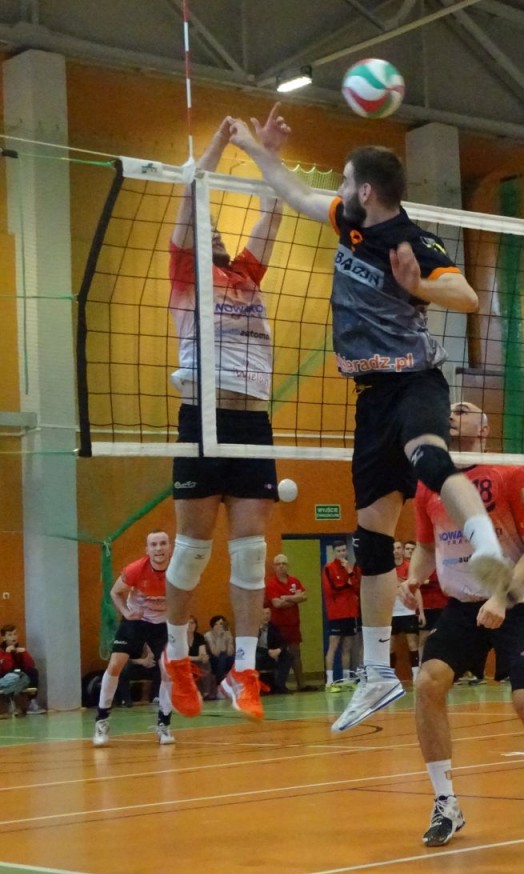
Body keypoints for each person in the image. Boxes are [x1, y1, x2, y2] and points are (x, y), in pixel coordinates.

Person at [228, 107, 514, 735]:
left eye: (343, 180)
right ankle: (379, 674)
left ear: (364, 191)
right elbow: (295, 193)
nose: (335, 189)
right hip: (370, 397)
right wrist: (257, 151)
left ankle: (486, 546)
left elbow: (467, 297)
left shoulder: (414, 242)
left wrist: (418, 286)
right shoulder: (348, 223)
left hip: (415, 379)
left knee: (431, 459)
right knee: (372, 540)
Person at [161, 111, 287, 724]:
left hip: (251, 422)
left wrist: (267, 153)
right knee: (191, 549)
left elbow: (274, 212)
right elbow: (190, 192)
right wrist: (216, 144)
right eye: (204, 220)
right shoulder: (186, 273)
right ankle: (176, 658)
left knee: (251, 555)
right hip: (202, 415)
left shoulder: (245, 275)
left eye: (215, 223)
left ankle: (244, 670)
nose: (209, 226)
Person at [402, 400, 524, 847]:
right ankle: (446, 802)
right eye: (449, 410)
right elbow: (426, 546)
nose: (452, 413)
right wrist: (414, 578)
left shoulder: (512, 475)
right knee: (427, 683)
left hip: (516, 601)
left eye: (464, 409)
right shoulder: (428, 486)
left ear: (484, 426)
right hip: (463, 607)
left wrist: (501, 595)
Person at [96, 531, 175, 747]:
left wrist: (180, 625)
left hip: (163, 624)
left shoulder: (178, 570)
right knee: (115, 665)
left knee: (168, 670)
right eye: (153, 544)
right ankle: (102, 720)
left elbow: (186, 597)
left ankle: (164, 725)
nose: (158, 548)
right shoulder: (136, 569)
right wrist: (126, 612)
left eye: (162, 543)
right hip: (136, 620)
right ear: (147, 550)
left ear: (170, 547)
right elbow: (115, 592)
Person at [264, 553, 307, 691]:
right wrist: (294, 599)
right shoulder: (271, 583)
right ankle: (279, 685)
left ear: (288, 565)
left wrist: (286, 598)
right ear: (274, 567)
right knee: (280, 655)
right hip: (277, 626)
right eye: (278, 564)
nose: (281, 566)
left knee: (296, 653)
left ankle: (301, 684)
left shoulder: (294, 581)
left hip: (293, 624)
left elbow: (303, 596)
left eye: (284, 563)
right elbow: (276, 603)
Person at [322, 540, 361, 689]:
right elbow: (331, 589)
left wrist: (349, 572)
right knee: (333, 647)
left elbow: (357, 587)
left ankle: (346, 679)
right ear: (334, 552)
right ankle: (329, 680)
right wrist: (347, 585)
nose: (342, 553)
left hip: (350, 613)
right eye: (338, 551)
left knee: (347, 647)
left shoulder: (351, 568)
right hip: (336, 614)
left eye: (344, 550)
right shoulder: (328, 568)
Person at [391, 540, 423, 684]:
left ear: (403, 550)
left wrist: (420, 612)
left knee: (412, 643)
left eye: (399, 548)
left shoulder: (409, 567)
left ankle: (415, 675)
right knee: (390, 646)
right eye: (394, 548)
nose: (396, 551)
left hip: (408, 611)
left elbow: (416, 590)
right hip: (392, 613)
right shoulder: (388, 569)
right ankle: (391, 676)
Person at [0, 625, 40, 718]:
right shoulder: (2, 651)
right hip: (6, 675)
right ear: (4, 637)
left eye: (15, 634)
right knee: (13, 677)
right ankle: (10, 702)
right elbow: (6, 667)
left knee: (33, 672)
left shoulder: (19, 649)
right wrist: (7, 653)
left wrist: (24, 653)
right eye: (10, 635)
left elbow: (30, 665)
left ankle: (32, 702)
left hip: (20, 674)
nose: (13, 637)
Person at [255, 605, 292, 694]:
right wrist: (268, 651)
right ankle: (256, 687)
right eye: (263, 614)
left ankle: (280, 686)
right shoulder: (253, 628)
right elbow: (252, 645)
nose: (266, 616)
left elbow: (283, 641)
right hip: (259, 653)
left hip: (272, 653)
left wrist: (279, 650)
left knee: (287, 656)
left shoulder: (274, 627)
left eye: (268, 613)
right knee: (256, 657)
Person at [186, 616, 216, 701]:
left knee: (205, 663)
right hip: (183, 662)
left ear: (196, 625)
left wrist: (204, 657)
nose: (190, 625)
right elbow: (182, 656)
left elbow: (202, 653)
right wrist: (198, 658)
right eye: (188, 623)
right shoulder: (180, 637)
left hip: (196, 662)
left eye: (192, 623)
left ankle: (206, 692)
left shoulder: (199, 637)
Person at [204, 615, 235, 687]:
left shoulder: (227, 634)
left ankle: (232, 682)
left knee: (233, 659)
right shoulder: (208, 635)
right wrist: (219, 637)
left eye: (221, 624)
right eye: (216, 624)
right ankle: (219, 683)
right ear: (212, 626)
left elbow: (230, 653)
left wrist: (229, 639)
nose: (219, 626)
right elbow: (215, 653)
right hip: (213, 660)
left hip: (226, 659)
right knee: (222, 658)